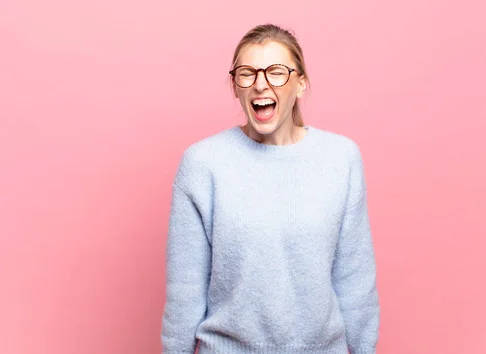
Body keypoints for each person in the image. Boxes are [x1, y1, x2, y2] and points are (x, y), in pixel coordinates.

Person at [161, 23, 380, 354]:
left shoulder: (341, 158)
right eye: (247, 73)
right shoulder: (203, 164)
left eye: (276, 72)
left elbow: (355, 281)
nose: (261, 84)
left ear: (301, 84)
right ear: (235, 87)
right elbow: (185, 291)